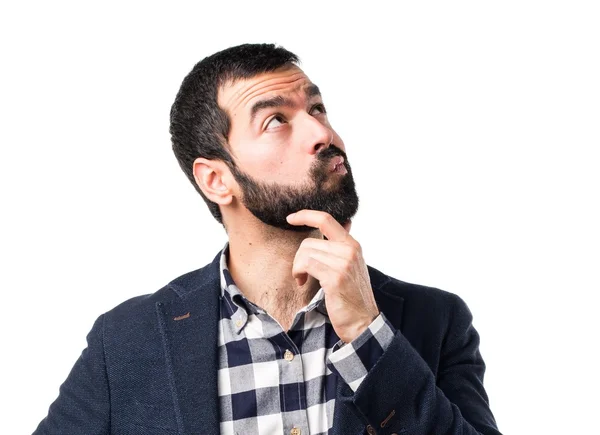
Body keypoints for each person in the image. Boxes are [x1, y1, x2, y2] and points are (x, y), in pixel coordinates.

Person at [34, 43, 501, 435]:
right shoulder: (128, 342)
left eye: (317, 108)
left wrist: (367, 335)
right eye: (277, 120)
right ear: (217, 179)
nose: (323, 132)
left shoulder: (435, 323)